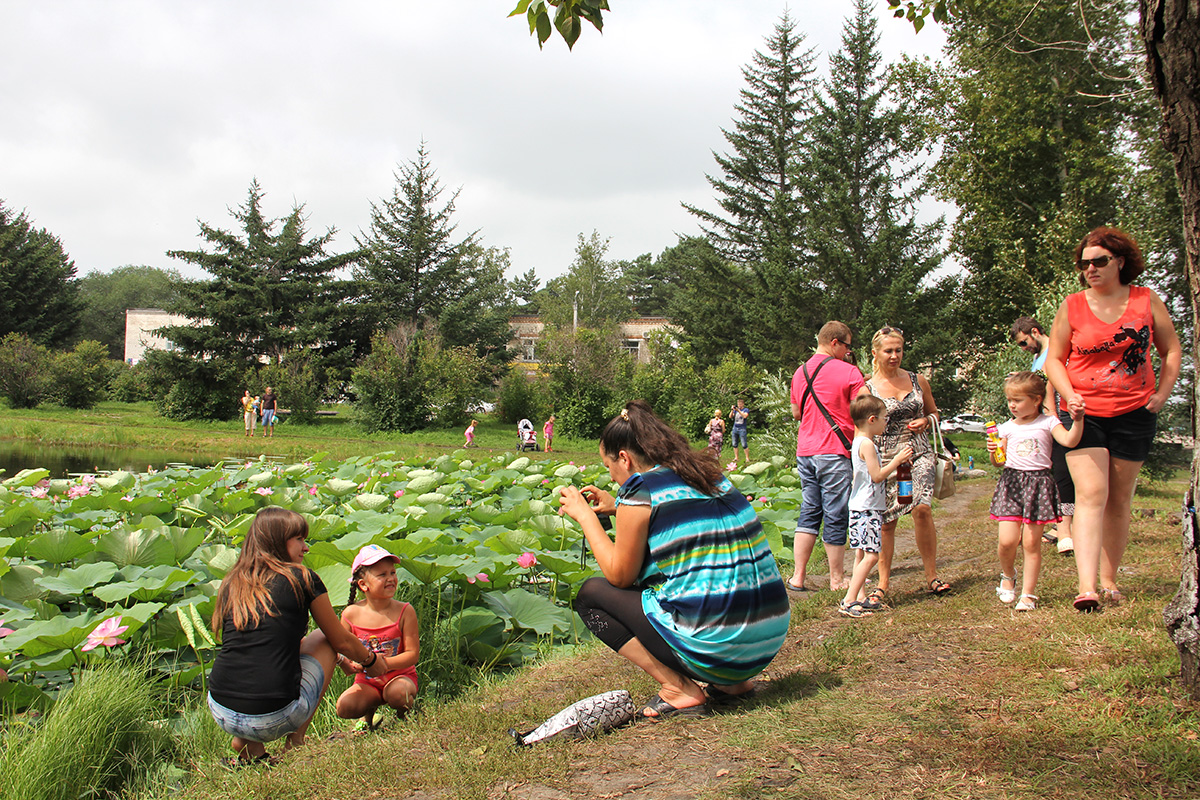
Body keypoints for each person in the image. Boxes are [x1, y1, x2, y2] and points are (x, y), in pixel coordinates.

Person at [558, 401, 789, 719]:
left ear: (624, 458)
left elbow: (620, 577)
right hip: (764, 640)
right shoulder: (706, 474)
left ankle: (678, 688)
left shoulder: (639, 489)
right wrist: (617, 508)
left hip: (719, 647)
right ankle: (734, 685)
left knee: (591, 596)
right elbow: (681, 514)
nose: (612, 478)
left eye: (610, 467)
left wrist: (586, 517)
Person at [1044, 227, 1181, 611]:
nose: (1091, 268)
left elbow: (1171, 350)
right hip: (1085, 414)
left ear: (1120, 261)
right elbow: (1054, 358)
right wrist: (1069, 396)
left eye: (1099, 261)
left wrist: (1162, 393)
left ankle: (1109, 580)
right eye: (1084, 263)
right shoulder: (1072, 305)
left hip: (1136, 412)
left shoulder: (1145, 300)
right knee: (1091, 494)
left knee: (1118, 500)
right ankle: (1086, 588)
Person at [206, 507, 387, 763]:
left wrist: (343, 662)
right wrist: (370, 660)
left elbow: (270, 644)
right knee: (323, 639)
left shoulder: (233, 581)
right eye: (299, 539)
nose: (306, 548)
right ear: (278, 541)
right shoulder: (301, 578)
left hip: (221, 709)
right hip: (273, 717)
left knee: (273, 660)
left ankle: (249, 746)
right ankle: (296, 742)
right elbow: (341, 640)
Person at [864, 326, 951, 601]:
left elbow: (934, 412)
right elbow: (862, 428)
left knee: (921, 508)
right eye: (888, 351)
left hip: (918, 454)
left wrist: (927, 420)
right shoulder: (867, 388)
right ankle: (883, 583)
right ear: (875, 353)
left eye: (898, 350)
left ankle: (932, 576)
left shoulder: (917, 380)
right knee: (888, 520)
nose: (894, 356)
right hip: (889, 460)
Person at [988, 372, 1085, 612]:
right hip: (1011, 484)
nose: (1012, 405)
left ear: (1037, 400)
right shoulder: (1006, 427)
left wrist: (1079, 419)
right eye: (1010, 400)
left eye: (1018, 400)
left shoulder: (1048, 422)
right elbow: (999, 462)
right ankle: (1008, 575)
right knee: (1007, 541)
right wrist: (993, 450)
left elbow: (1070, 440)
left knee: (1032, 543)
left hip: (1039, 484)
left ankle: (1028, 595)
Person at [788, 321, 865, 593]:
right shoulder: (850, 372)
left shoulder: (800, 372)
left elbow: (797, 413)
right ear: (835, 342)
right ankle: (836, 579)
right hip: (834, 450)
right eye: (847, 346)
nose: (848, 351)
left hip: (805, 451)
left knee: (809, 511)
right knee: (835, 513)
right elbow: (865, 411)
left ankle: (798, 576)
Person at [840, 395, 912, 618]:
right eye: (884, 419)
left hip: (858, 506)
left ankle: (860, 597)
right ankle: (849, 600)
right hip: (867, 508)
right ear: (872, 419)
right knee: (871, 555)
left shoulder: (858, 442)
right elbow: (878, 476)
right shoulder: (868, 444)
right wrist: (897, 460)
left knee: (860, 554)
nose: (885, 423)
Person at [335, 545, 419, 730]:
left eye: (393, 573)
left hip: (400, 676)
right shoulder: (350, 614)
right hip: (367, 682)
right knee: (344, 707)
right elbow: (342, 648)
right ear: (363, 585)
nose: (391, 578)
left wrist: (382, 664)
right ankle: (368, 718)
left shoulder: (405, 611)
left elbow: (413, 655)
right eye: (382, 575)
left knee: (398, 694)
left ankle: (403, 715)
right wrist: (348, 663)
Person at [1012, 316, 1075, 556]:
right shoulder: (1038, 358)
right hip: (1046, 420)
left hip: (1062, 416)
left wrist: (1056, 420)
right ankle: (1060, 525)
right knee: (1053, 474)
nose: (1024, 348)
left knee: (1063, 474)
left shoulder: (1055, 352)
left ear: (1035, 332)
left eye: (1023, 342)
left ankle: (1065, 529)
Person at [730, 398, 751, 466]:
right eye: (738, 404)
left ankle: (747, 458)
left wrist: (738, 410)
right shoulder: (735, 411)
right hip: (735, 428)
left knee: (744, 444)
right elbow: (730, 416)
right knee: (734, 443)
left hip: (742, 428)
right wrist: (732, 410)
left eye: (740, 404)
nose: (739, 405)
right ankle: (736, 457)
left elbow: (744, 416)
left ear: (743, 404)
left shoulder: (745, 410)